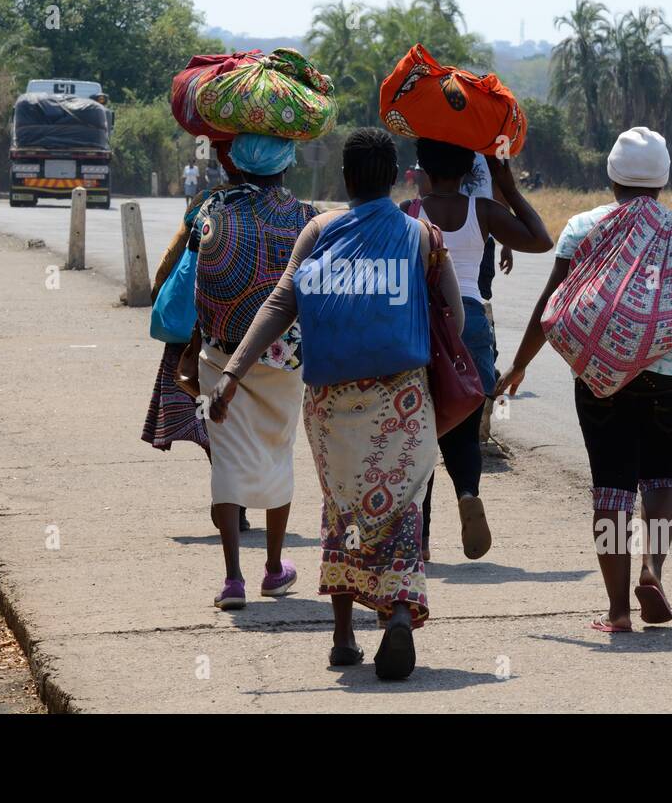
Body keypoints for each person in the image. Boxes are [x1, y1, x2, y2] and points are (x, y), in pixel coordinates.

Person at [210, 127, 463, 680]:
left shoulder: (319, 230)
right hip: (402, 400)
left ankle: (343, 636)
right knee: (400, 509)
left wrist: (231, 374)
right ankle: (396, 610)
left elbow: (281, 303)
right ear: (397, 178)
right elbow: (457, 321)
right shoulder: (425, 237)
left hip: (331, 403)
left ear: (345, 178)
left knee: (343, 510)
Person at [496, 127, 672, 633]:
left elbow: (551, 302)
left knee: (612, 489)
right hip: (670, 375)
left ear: (612, 176)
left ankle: (618, 612)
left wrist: (519, 364)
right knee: (665, 478)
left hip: (601, 376)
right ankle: (653, 569)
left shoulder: (583, 227)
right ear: (663, 179)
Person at [404, 139, 553, 561]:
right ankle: (468, 492)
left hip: (425, 324)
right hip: (471, 323)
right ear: (471, 168)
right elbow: (541, 240)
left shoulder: (409, 214)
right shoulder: (482, 211)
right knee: (464, 430)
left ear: (423, 171)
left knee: (421, 433)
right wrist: (509, 184)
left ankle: (422, 538)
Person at [190, 133, 317, 611]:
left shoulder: (211, 212)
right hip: (285, 359)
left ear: (237, 164)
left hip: (219, 358)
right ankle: (273, 569)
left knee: (226, 459)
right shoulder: (308, 217)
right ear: (286, 165)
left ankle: (232, 579)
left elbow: (194, 280)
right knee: (278, 454)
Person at [142, 142, 251, 529]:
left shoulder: (208, 202)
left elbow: (171, 259)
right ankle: (238, 495)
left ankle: (229, 496)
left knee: (209, 416)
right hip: (256, 333)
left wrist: (160, 291)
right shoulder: (283, 206)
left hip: (200, 333)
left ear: (225, 162)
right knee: (246, 419)